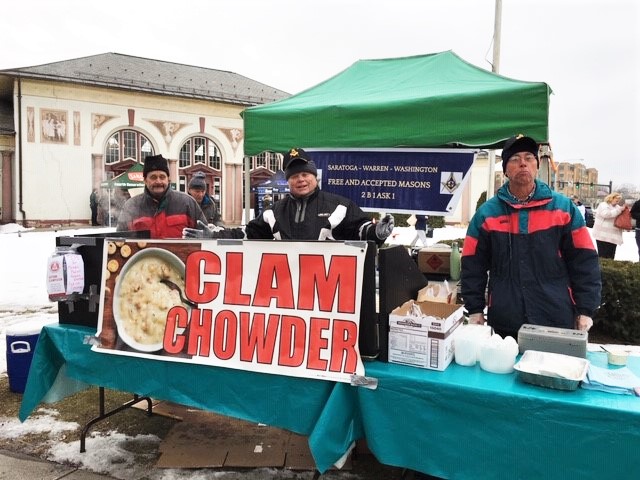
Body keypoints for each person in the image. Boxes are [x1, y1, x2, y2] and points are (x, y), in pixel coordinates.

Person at [461, 135, 601, 339]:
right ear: (506, 170)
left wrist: (586, 308)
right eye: (515, 159)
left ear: (536, 166)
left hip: (555, 315)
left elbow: (584, 260)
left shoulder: (563, 209)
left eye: (529, 157)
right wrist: (474, 309)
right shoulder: (486, 214)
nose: (523, 163)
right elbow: (473, 265)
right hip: (506, 319)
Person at [184, 147, 394, 244]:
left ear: (315, 177)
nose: (301, 180)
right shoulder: (273, 212)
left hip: (329, 296)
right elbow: (246, 234)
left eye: (305, 174)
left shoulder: (339, 206)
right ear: (288, 180)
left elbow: (361, 231)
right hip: (287, 295)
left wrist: (378, 232)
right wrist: (215, 236)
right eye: (294, 176)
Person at [117, 154, 207, 239]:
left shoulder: (188, 203)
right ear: (145, 180)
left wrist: (205, 236)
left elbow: (206, 236)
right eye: (153, 177)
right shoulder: (131, 206)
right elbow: (119, 240)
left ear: (168, 179)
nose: (158, 181)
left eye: (162, 177)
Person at [592, 192, 626, 259]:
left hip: (613, 236)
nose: (617, 202)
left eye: (618, 201)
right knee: (603, 255)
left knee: (611, 255)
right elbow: (606, 214)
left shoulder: (617, 207)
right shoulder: (603, 205)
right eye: (616, 200)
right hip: (602, 235)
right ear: (611, 198)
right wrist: (619, 210)